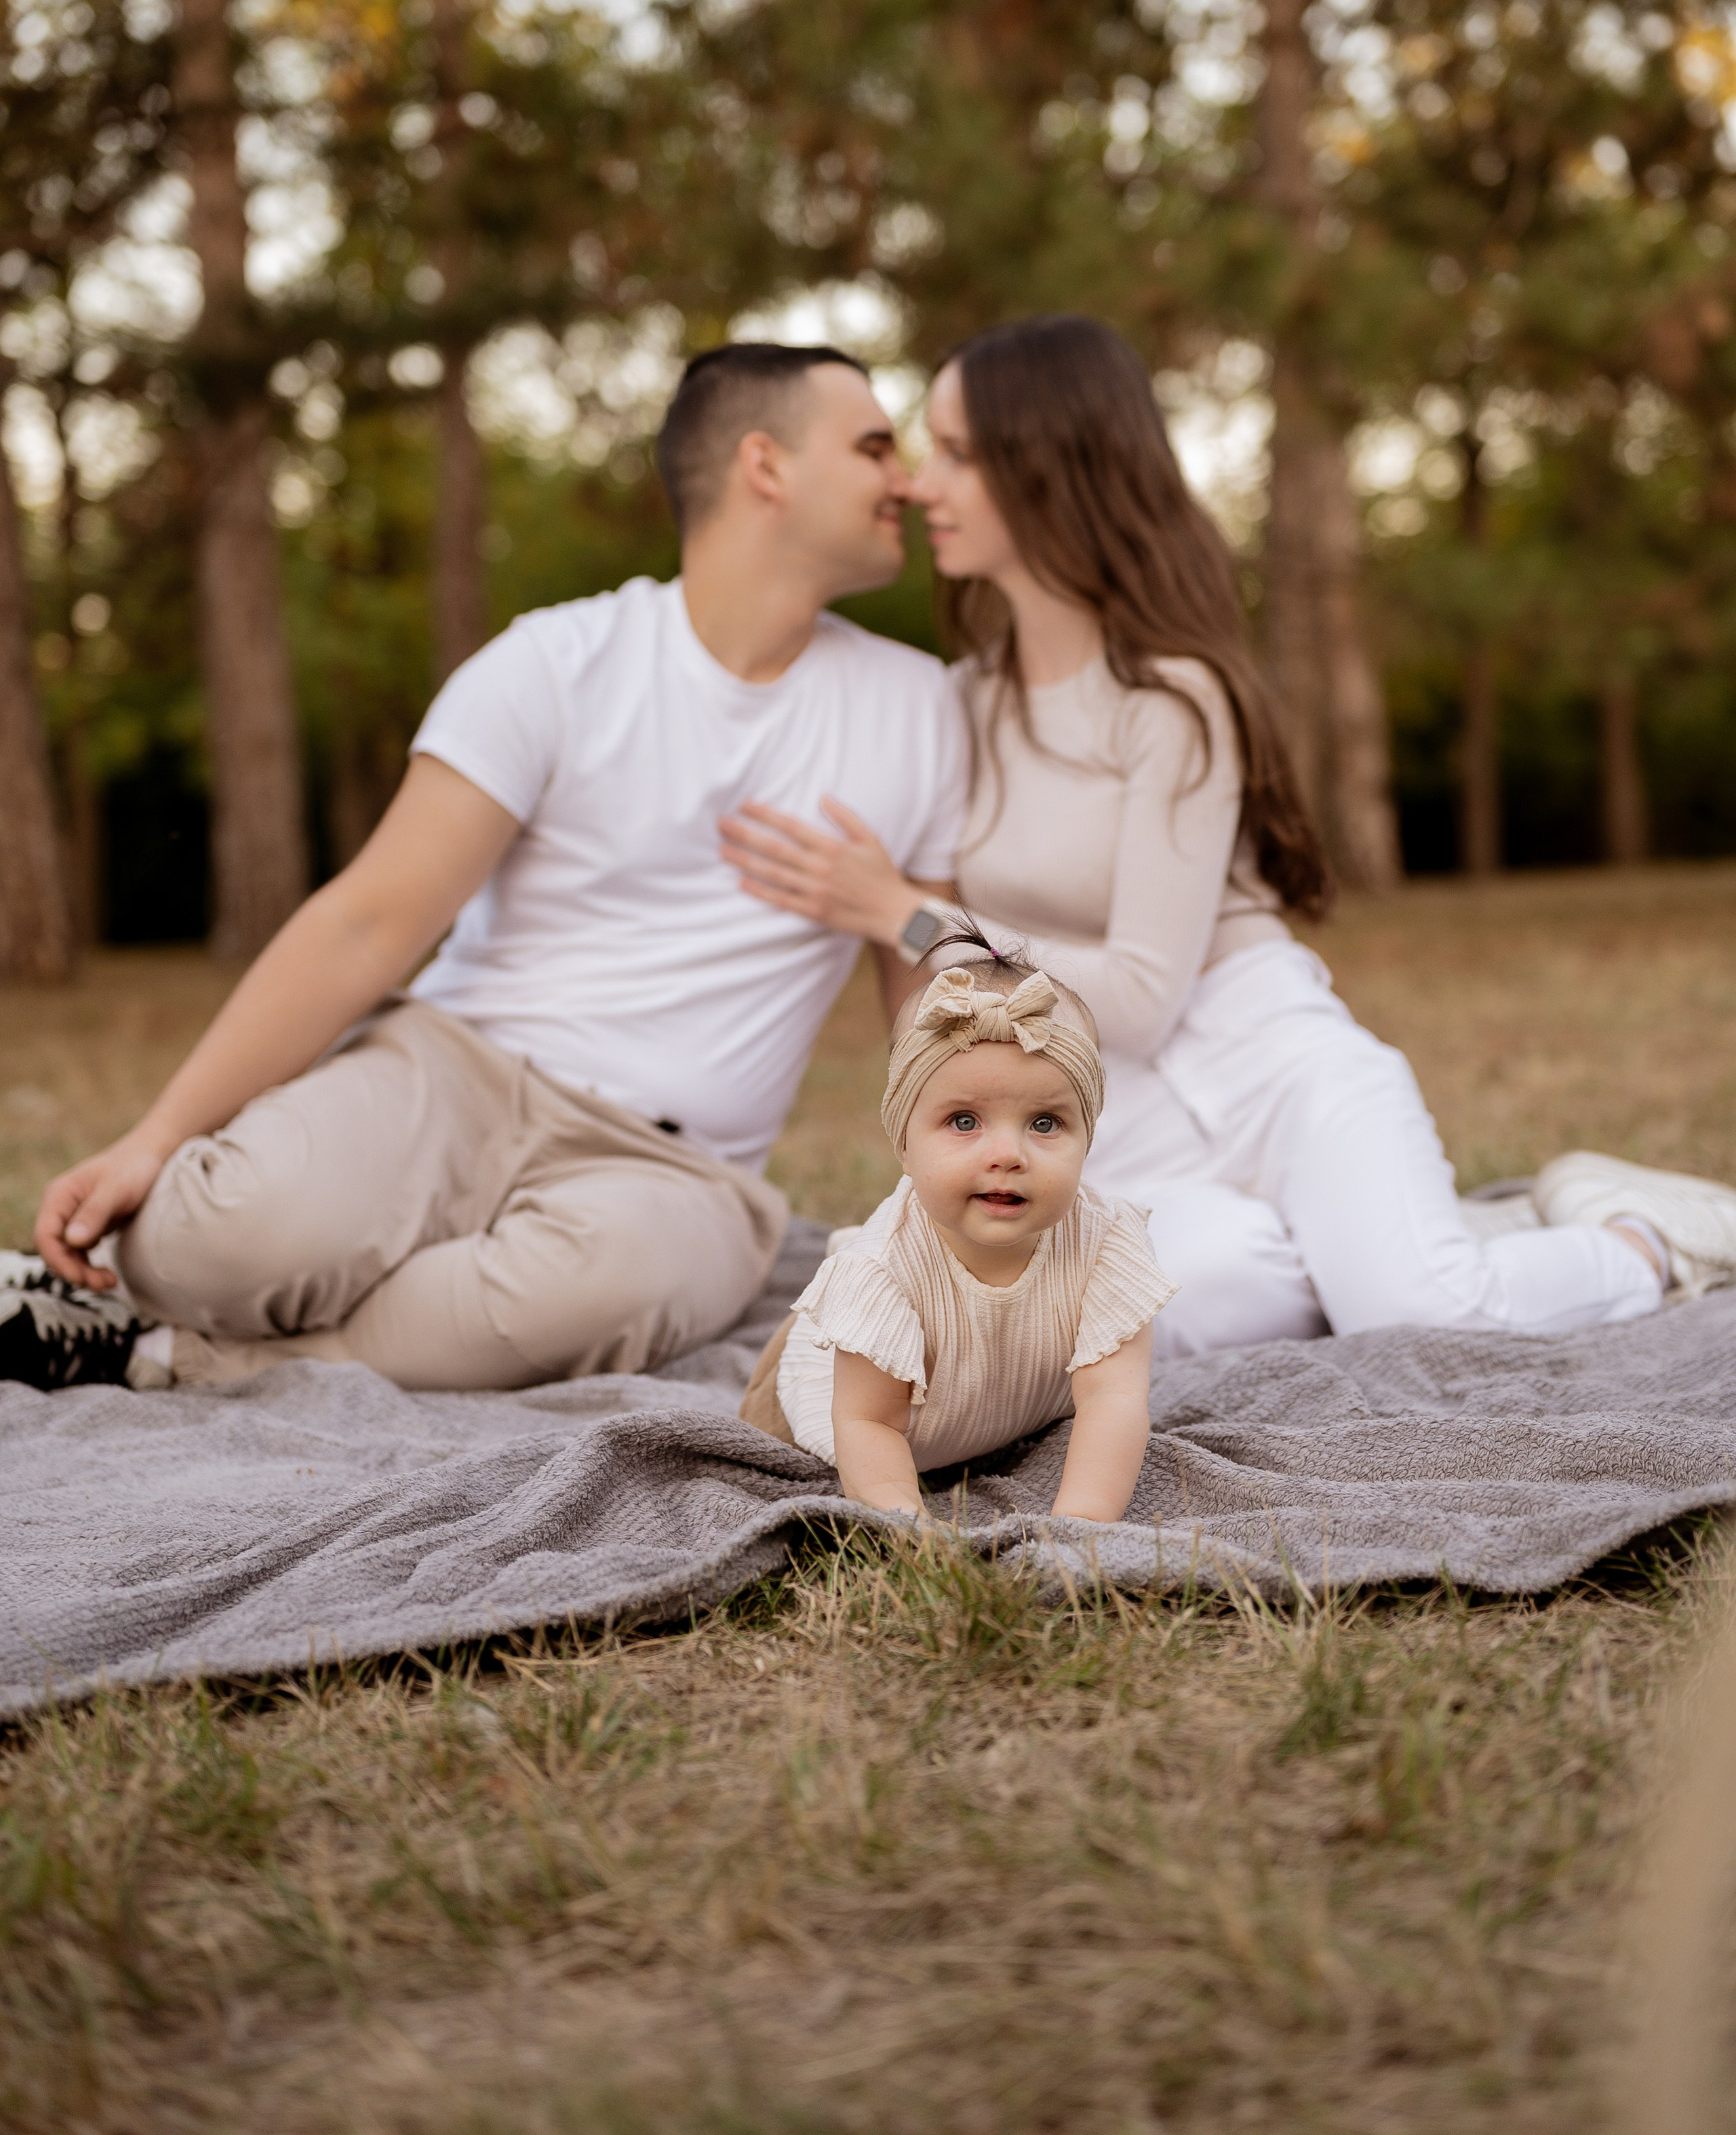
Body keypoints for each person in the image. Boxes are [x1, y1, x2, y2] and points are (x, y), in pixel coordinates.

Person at [721, 313, 1736, 1354]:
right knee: (1203, 1299)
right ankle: (1463, 1231)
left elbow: (1145, 996)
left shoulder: (1173, 699)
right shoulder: (956, 706)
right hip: (1119, 1119)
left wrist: (912, 916)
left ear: (1054, 469)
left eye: (963, 455)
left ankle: (1648, 1240)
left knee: (1420, 1318)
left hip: (1271, 1063)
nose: (923, 486)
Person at [10, 342, 968, 1395]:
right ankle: (190, 1305)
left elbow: (927, 1010)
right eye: (877, 447)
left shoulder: (920, 708)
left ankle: (154, 1352)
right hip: (456, 1073)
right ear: (765, 465)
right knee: (208, 1240)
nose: (910, 481)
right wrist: (159, 1136)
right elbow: (367, 925)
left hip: (673, 1173)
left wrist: (904, 919)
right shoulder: (554, 664)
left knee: (598, 1293)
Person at [739, 954, 1172, 1519]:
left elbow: (1113, 1399)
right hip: (845, 1405)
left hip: (997, 1405)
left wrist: (1080, 1531)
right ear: (904, 1142)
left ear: (1087, 1136)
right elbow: (869, 1422)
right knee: (768, 1447)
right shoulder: (883, 1270)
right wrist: (911, 1534)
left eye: (1046, 1123)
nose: (1007, 1156)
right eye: (964, 1122)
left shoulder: (1109, 1240)